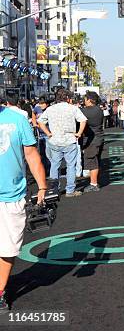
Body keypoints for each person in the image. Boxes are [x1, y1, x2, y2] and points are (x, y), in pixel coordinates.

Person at [0, 105, 46, 313]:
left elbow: (31, 153)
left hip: (11, 196)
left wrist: (42, 186)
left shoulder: (17, 119)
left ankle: (0, 291)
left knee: (7, 248)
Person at [37, 89, 87, 198]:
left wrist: (48, 133)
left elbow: (40, 121)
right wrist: (79, 133)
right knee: (71, 166)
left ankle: (55, 190)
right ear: (68, 98)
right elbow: (83, 120)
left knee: (55, 166)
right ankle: (70, 190)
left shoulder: (50, 109)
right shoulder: (73, 108)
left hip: (54, 140)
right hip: (69, 140)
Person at [80, 91, 104, 192]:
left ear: (89, 100)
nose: (83, 101)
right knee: (97, 160)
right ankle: (95, 181)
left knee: (92, 161)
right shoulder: (99, 109)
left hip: (91, 139)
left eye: (85, 99)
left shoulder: (84, 111)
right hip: (99, 137)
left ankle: (93, 184)